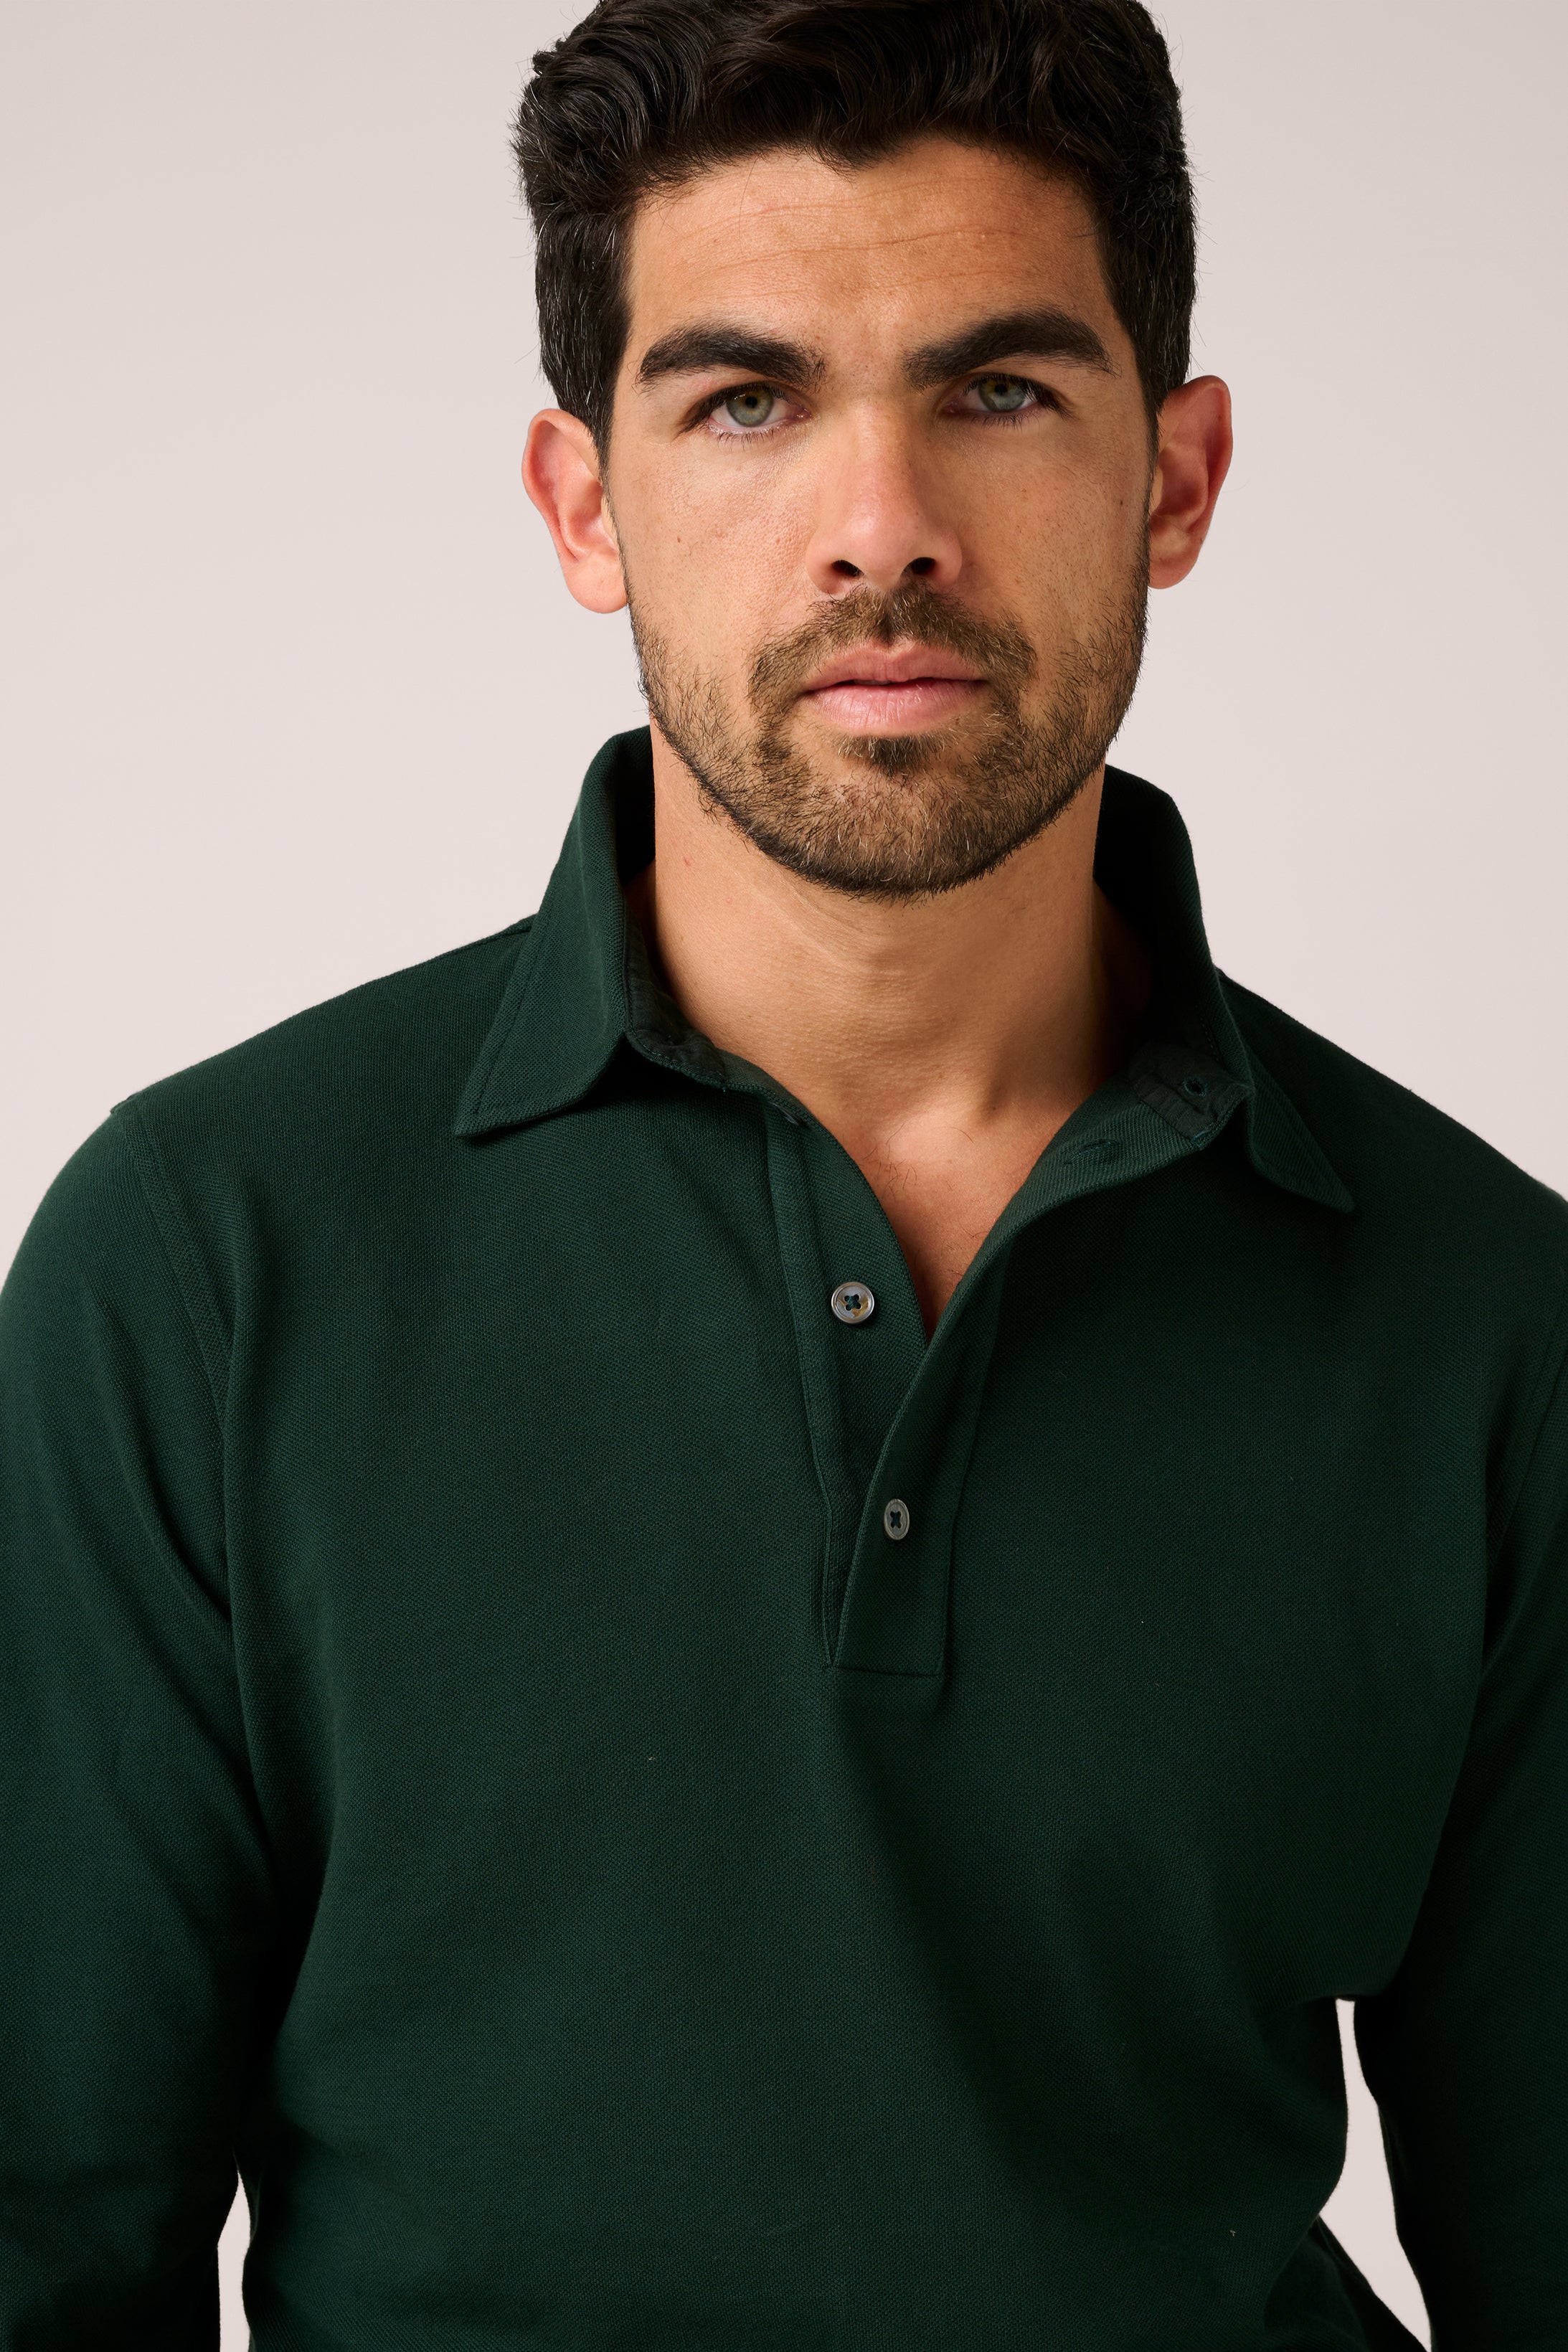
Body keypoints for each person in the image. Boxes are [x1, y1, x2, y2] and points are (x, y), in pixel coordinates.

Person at [2, 0, 1564, 2343]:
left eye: (1000, 391)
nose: (881, 531)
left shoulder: (1488, 1319)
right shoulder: (205, 1259)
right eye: (746, 401)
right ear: (580, 503)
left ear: (1175, 477)